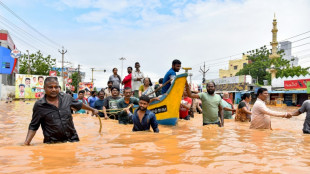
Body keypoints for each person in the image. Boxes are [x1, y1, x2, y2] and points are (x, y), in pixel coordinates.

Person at [24, 77, 98, 145]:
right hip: (52, 144)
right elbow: (34, 126)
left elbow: (79, 104)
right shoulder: (39, 105)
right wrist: (27, 143)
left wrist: (92, 110)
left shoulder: (67, 98)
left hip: (72, 141)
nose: (54, 89)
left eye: (56, 87)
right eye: (50, 87)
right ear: (44, 88)